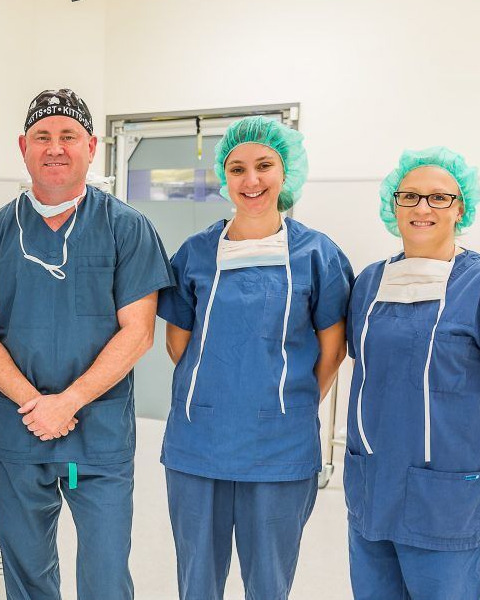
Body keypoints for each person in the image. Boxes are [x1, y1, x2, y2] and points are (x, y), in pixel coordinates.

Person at [0, 88, 172, 599]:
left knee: (105, 576)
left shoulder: (126, 228)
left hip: (97, 435)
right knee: (27, 575)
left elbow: (139, 331)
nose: (56, 147)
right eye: (43, 136)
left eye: (69, 136)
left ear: (92, 146)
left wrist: (69, 402)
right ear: (23, 146)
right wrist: (36, 404)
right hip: (18, 431)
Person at [343, 147, 480, 599]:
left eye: (439, 198)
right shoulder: (368, 283)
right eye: (410, 196)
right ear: (394, 205)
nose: (423, 207)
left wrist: (473, 470)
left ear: (461, 208)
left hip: (449, 502)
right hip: (373, 485)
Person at [156, 116, 351, 600]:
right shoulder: (197, 253)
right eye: (238, 168)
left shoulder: (316, 254)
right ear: (225, 179)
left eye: (265, 166)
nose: (252, 180)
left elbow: (333, 349)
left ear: (286, 175)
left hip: (280, 447)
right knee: (196, 581)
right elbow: (177, 343)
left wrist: (288, 400)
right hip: (199, 442)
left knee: (269, 583)